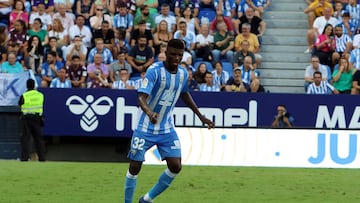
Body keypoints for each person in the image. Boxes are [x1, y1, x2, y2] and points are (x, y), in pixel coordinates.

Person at [124, 38, 214, 203]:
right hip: (144, 127)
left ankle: (147, 199)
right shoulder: (154, 71)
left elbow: (184, 94)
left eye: (180, 55)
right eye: (173, 54)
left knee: (176, 166)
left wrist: (200, 116)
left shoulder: (182, 73)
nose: (177, 58)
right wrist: (150, 113)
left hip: (166, 128)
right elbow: (141, 97)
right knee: (135, 166)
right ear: (166, 53)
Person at [18, 78, 46, 161]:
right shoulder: (40, 95)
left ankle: (24, 157)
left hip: (26, 118)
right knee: (39, 139)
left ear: (26, 86)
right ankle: (42, 157)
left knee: (25, 139)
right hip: (37, 118)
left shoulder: (24, 95)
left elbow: (20, 104)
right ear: (34, 85)